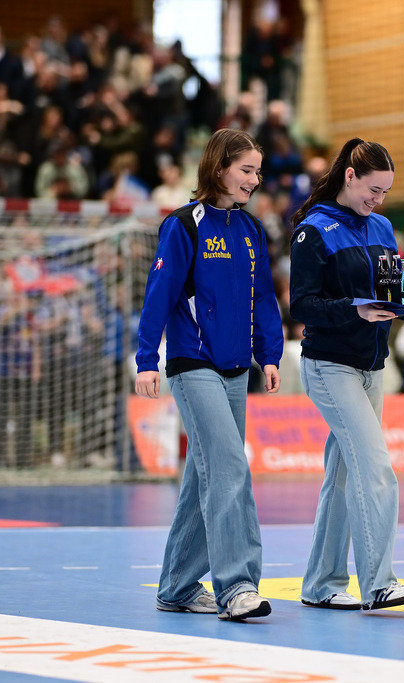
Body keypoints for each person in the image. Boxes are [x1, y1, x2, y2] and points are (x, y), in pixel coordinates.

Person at [134, 128, 282, 621]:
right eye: (246, 170)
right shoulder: (183, 225)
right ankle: (237, 586)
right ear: (219, 168)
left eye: (258, 172)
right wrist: (146, 360)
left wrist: (270, 353)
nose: (254, 180)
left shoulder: (251, 228)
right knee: (229, 468)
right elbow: (159, 294)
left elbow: (263, 296)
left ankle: (176, 586)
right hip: (193, 363)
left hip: (237, 367)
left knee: (207, 476)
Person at [288, 137, 404, 611]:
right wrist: (355, 310)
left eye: (385, 192)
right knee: (375, 467)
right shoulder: (313, 230)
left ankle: (320, 584)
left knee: (343, 478)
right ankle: (379, 583)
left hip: (372, 366)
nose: (378, 200)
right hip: (330, 366)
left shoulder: (382, 226)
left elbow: (392, 293)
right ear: (350, 176)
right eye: (373, 190)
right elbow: (302, 305)